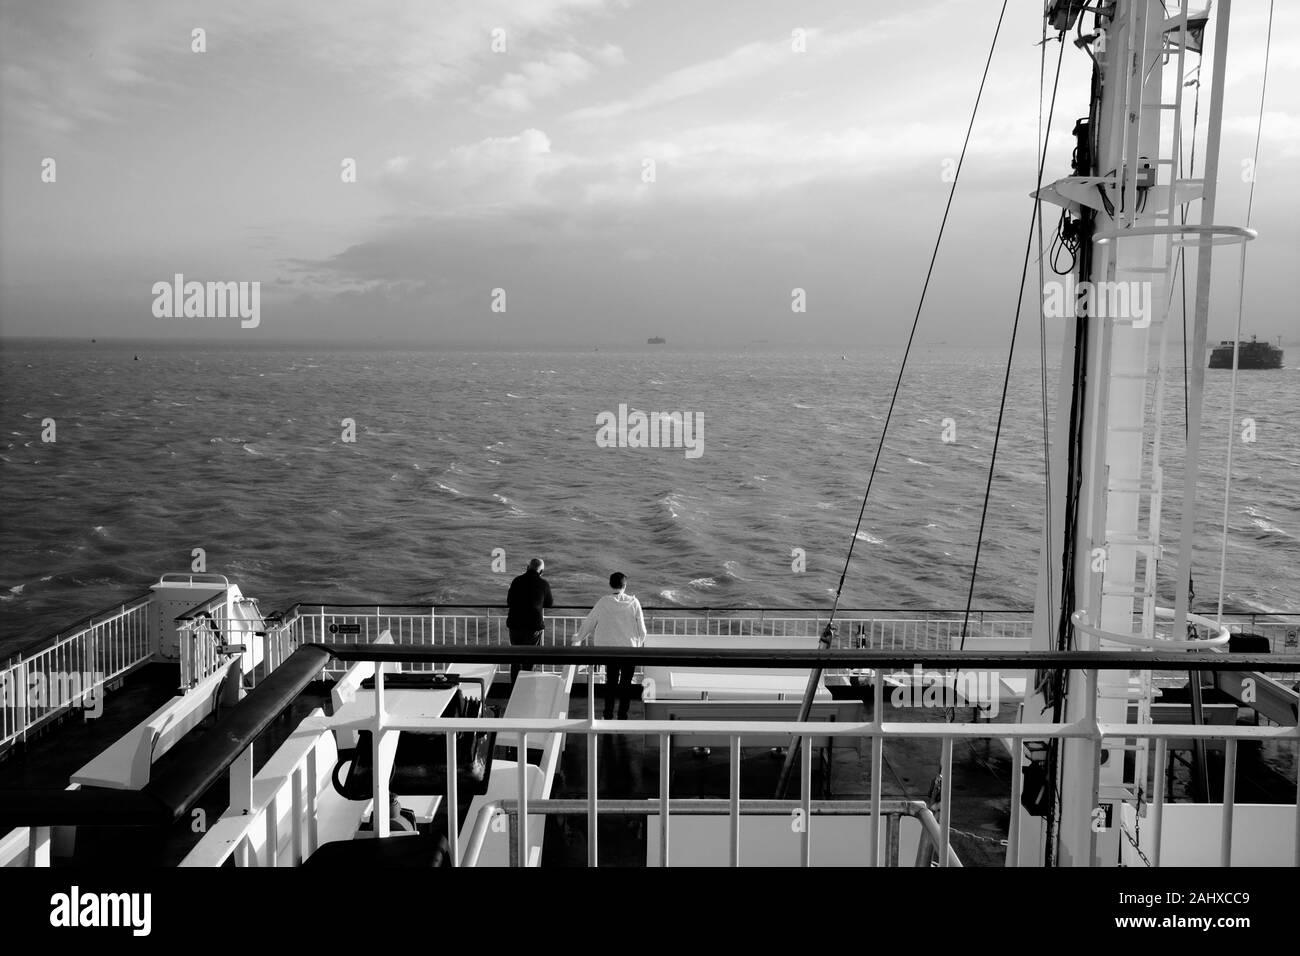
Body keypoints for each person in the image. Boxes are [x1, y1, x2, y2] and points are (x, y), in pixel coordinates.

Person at [572, 572, 647, 719]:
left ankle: (607, 714)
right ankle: (623, 715)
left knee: (611, 682)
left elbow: (590, 622)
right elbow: (642, 630)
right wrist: (637, 644)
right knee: (626, 684)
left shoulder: (603, 602)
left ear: (610, 585)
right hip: (629, 651)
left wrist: (578, 637)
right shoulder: (634, 603)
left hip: (609, 651)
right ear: (625, 585)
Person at [506, 557, 554, 684]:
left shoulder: (517, 580)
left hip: (515, 624)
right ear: (541, 571)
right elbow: (549, 603)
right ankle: (527, 686)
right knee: (530, 657)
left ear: (528, 568)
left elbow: (509, 601)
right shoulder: (543, 584)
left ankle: (514, 686)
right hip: (533, 626)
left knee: (516, 657)